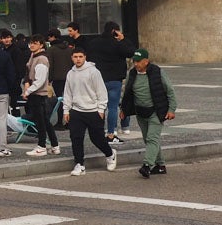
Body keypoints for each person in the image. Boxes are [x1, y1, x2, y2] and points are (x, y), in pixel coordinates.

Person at [119, 49, 177, 178]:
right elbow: (127, 93)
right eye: (134, 61)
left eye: (138, 61)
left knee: (152, 138)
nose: (136, 64)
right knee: (149, 140)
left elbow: (170, 91)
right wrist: (123, 109)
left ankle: (147, 165)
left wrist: (171, 109)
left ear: (146, 61)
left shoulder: (157, 72)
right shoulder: (132, 74)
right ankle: (161, 166)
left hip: (156, 111)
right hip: (141, 111)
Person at [62, 46, 116, 176]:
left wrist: (101, 108)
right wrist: (66, 110)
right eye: (75, 57)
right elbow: (67, 92)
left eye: (80, 57)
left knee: (96, 138)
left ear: (85, 57)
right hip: (76, 110)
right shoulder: (71, 73)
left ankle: (110, 154)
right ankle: (79, 164)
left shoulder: (93, 72)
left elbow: (101, 91)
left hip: (93, 110)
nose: (78, 59)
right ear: (72, 58)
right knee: (76, 138)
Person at [86, 21, 137, 143]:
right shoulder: (118, 44)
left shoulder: (94, 43)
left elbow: (88, 57)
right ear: (115, 31)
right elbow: (132, 52)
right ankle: (111, 131)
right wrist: (123, 39)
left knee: (100, 106)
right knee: (113, 107)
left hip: (98, 79)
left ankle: (99, 129)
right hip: (115, 79)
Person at [22, 35, 61, 157]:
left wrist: (27, 91)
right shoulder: (34, 56)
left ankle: (42, 146)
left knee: (40, 121)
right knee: (44, 120)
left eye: (35, 43)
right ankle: (54, 145)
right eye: (30, 43)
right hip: (36, 93)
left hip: (38, 94)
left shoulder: (41, 59)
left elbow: (40, 80)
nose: (32, 45)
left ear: (41, 44)